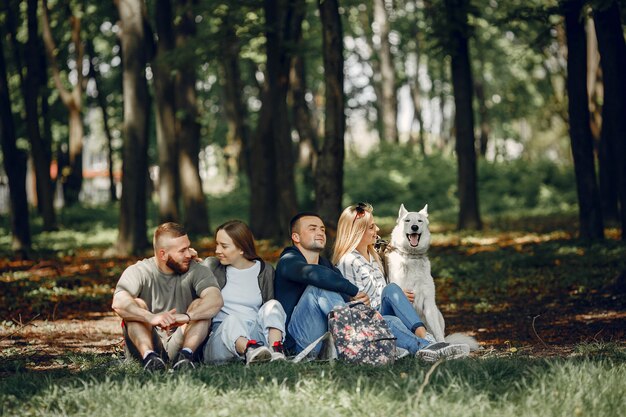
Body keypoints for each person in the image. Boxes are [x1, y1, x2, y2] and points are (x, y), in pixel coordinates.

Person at [333, 203, 470, 361]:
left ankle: (428, 340)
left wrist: (395, 296)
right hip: (370, 320)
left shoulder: (374, 256)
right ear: (356, 231)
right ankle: (426, 344)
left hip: (384, 313)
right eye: (371, 227)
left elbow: (384, 291)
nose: (377, 230)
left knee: (392, 292)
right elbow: (360, 306)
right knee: (392, 305)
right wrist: (395, 297)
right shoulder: (348, 261)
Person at [112, 222, 223, 371]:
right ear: (162, 254)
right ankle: (150, 359)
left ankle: (185, 358)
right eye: (182, 251)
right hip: (147, 341)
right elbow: (119, 302)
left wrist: (186, 317)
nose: (189, 254)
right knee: (136, 304)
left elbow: (215, 299)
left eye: (188, 248)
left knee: (200, 306)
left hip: (183, 339)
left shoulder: (197, 269)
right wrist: (151, 317)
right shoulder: (139, 271)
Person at [274, 212, 370, 355]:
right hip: (298, 342)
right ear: (296, 237)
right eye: (312, 229)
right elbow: (315, 274)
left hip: (326, 338)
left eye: (322, 229)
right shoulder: (288, 260)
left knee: (391, 320)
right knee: (318, 288)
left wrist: (355, 299)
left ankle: (414, 346)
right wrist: (354, 291)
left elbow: (343, 299)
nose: (320, 233)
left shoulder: (326, 266)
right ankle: (359, 342)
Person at [200, 220, 287, 364]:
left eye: (224, 246)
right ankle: (249, 350)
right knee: (232, 319)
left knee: (273, 305)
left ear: (241, 248)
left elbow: (268, 312)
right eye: (217, 244)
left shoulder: (265, 270)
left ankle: (276, 351)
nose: (217, 250)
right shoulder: (213, 267)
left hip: (255, 335)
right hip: (221, 338)